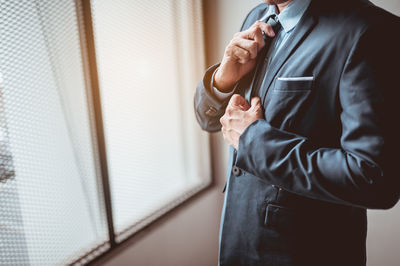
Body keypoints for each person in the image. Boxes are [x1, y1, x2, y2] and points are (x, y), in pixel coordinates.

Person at [194, 0, 400, 265]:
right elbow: (208, 121)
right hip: (237, 244)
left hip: (307, 253)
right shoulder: (257, 17)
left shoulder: (371, 30)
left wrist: (254, 142)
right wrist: (224, 80)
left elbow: (374, 178)